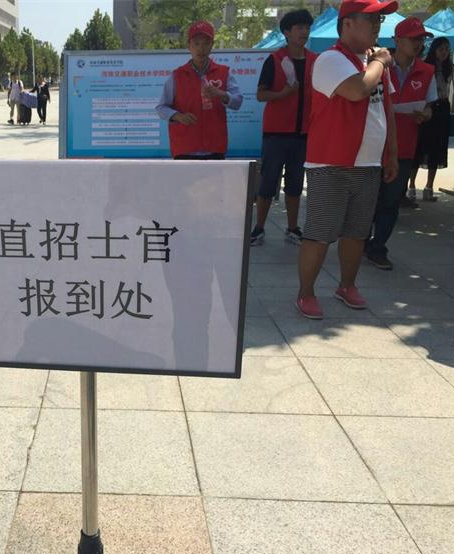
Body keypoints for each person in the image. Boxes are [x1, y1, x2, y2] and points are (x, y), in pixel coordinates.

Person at [296, 0, 398, 319]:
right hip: (331, 163)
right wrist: (379, 61)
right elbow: (358, 90)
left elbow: (386, 109)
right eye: (371, 19)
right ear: (348, 23)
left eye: (380, 19)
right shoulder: (331, 59)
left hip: (368, 164)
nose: (378, 25)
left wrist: (392, 153)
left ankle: (347, 286)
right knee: (320, 233)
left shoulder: (373, 62)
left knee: (357, 232)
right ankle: (305, 293)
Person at [365, 17, 435, 269]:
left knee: (391, 201)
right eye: (413, 39)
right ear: (397, 40)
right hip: (372, 145)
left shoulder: (427, 71)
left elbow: (429, 107)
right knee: (366, 200)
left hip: (404, 146)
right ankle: (359, 241)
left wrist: (425, 114)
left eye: (421, 39)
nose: (418, 44)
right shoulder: (377, 64)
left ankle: (378, 247)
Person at [251, 9, 316, 247]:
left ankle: (292, 228)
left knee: (295, 185)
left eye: (307, 28)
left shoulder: (315, 61)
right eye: (299, 28)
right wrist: (282, 94)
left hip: (303, 134)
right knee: (268, 183)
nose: (304, 32)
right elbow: (260, 95)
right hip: (276, 134)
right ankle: (258, 228)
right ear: (287, 32)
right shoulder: (275, 60)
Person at [156, 20, 243, 160]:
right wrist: (178, 116)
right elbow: (161, 107)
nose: (200, 49)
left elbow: (238, 102)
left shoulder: (224, 73)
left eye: (205, 43)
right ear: (189, 46)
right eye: (196, 43)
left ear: (212, 45)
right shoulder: (177, 76)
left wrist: (222, 94)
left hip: (214, 148)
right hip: (184, 148)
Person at [408, 37, 454, 202]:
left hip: (443, 107)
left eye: (446, 49)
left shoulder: (449, 67)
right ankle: (412, 185)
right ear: (434, 50)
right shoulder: (426, 66)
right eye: (441, 49)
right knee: (419, 146)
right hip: (429, 106)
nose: (444, 52)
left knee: (437, 148)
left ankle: (429, 186)